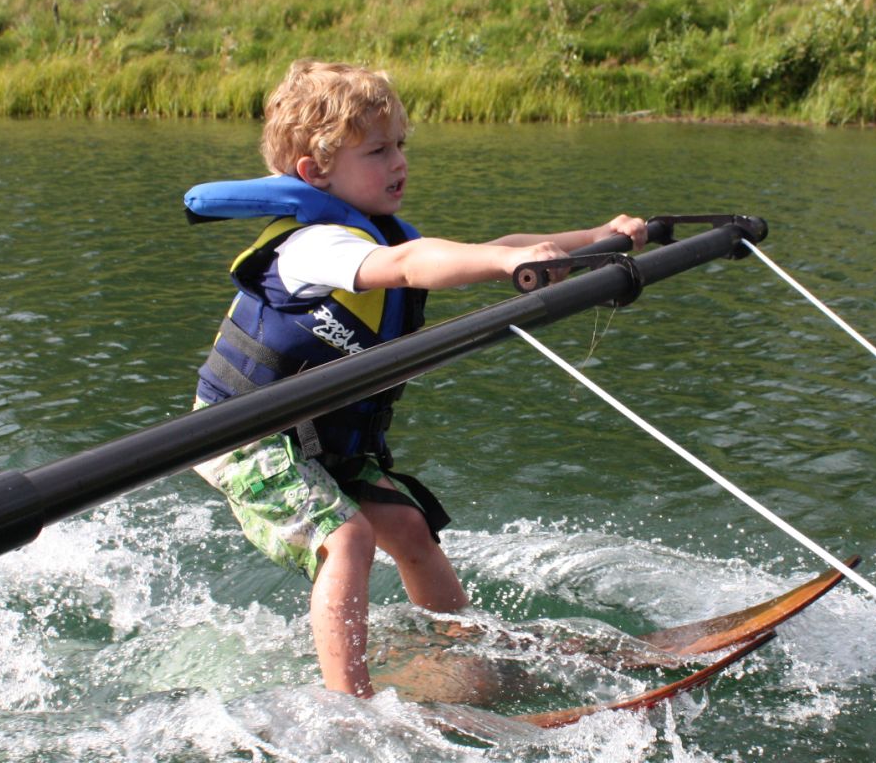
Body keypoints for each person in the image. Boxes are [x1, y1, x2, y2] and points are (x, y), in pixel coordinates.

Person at [187, 59, 647, 699]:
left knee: (406, 527)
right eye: (378, 150)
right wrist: (506, 261)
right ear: (315, 171)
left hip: (315, 432)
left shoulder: (371, 232)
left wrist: (597, 239)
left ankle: (462, 650)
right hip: (245, 436)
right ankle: (348, 709)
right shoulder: (312, 246)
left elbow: (498, 242)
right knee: (345, 538)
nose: (399, 161)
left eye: (401, 144)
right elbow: (407, 265)